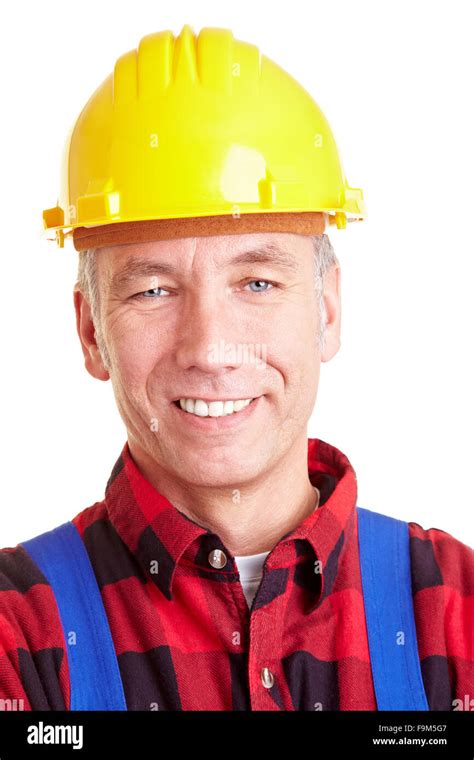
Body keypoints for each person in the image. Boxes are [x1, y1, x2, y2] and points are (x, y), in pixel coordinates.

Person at [0, 24, 471, 712]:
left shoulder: (455, 617)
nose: (211, 349)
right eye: (152, 289)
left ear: (328, 311)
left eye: (257, 283)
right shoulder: (18, 634)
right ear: (91, 330)